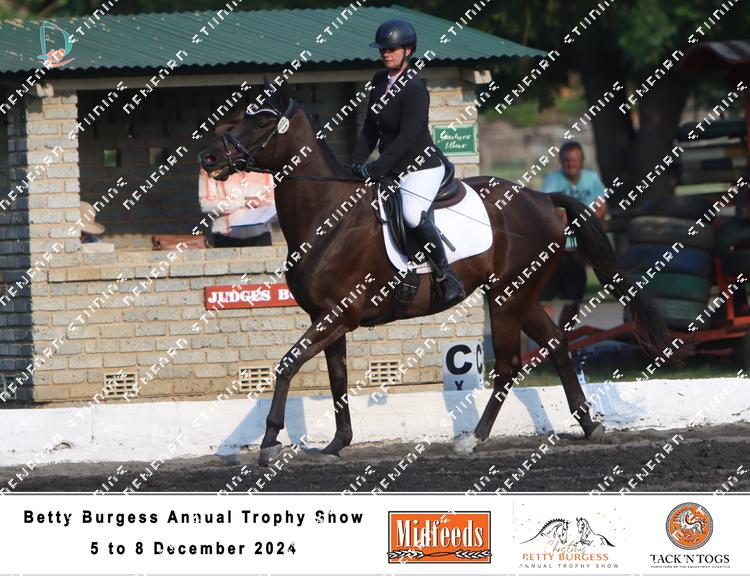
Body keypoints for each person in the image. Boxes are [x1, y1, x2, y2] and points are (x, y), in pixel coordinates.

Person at [350, 19, 465, 310]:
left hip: (421, 166)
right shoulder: (379, 81)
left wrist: (376, 168)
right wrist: (354, 165)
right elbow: (370, 129)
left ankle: (446, 276)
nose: (386, 53)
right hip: (391, 167)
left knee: (412, 214)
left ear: (408, 51)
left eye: (392, 49)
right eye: (383, 49)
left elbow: (408, 137)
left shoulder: (415, 88)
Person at [540, 141, 608, 327]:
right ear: (561, 161)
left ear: (582, 161)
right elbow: (551, 210)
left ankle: (562, 337)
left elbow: (601, 209)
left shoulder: (592, 179)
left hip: (578, 251)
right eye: (567, 160)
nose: (571, 164)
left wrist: (574, 219)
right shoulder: (552, 180)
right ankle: (548, 337)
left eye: (575, 160)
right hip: (554, 250)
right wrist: (583, 217)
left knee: (573, 301)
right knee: (544, 299)